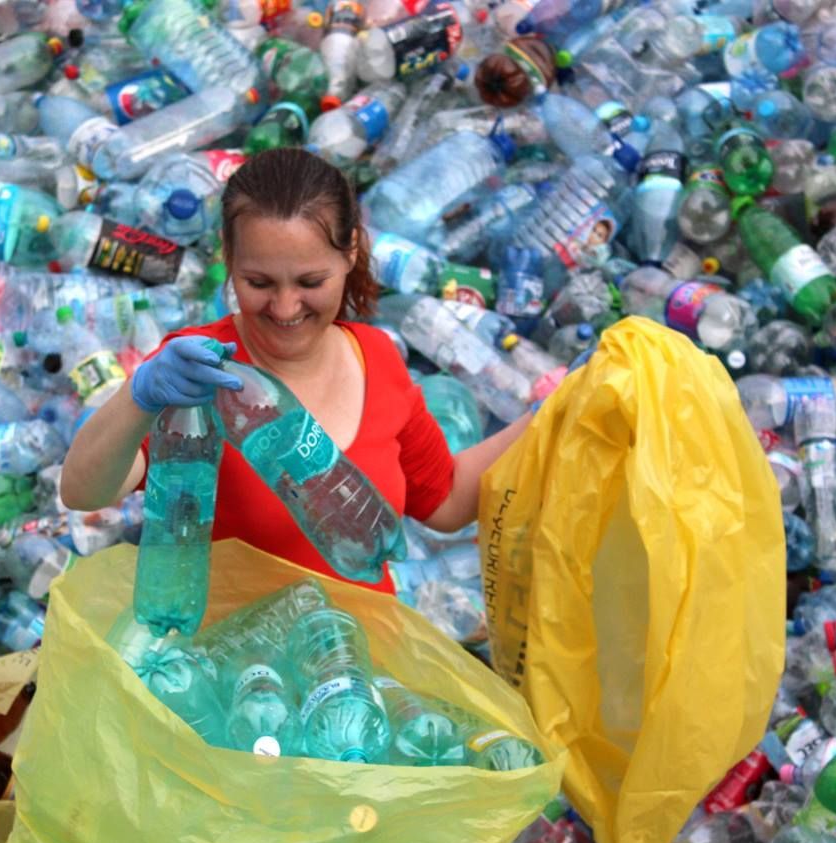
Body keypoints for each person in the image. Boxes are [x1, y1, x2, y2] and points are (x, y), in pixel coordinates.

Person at [60, 147, 533, 593]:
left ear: (349, 253)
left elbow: (446, 501)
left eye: (311, 282)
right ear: (228, 258)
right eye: (258, 282)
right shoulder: (199, 367)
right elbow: (84, 491)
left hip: (359, 661)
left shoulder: (377, 357)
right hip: (242, 669)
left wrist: (561, 406)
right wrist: (140, 397)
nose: (285, 308)